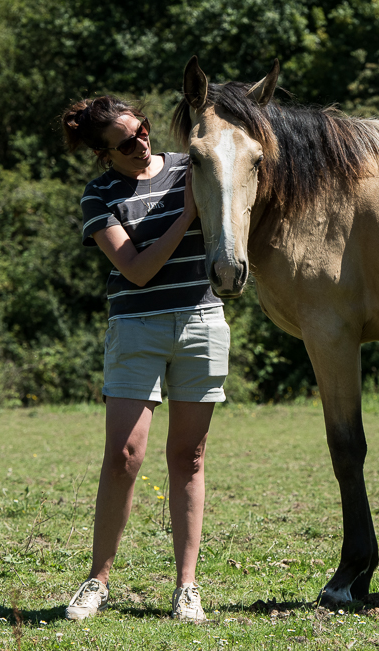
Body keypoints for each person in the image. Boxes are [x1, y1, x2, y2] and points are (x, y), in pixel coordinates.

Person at [60, 96, 230, 623]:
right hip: (135, 327)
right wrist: (186, 217)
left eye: (142, 130)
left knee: (189, 458)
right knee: (124, 459)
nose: (141, 143)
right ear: (102, 154)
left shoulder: (189, 166)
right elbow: (135, 270)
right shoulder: (99, 196)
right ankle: (97, 581)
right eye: (125, 142)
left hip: (202, 323)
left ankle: (186, 588)